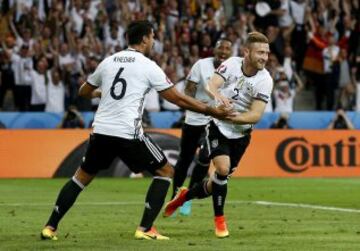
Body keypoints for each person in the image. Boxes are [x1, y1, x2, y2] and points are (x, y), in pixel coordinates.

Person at [40, 20, 232, 241]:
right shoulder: (148, 66)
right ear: (144, 39)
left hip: (101, 131)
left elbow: (84, 90)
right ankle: (145, 228)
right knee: (165, 172)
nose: (153, 41)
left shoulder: (109, 61)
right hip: (127, 133)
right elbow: (177, 98)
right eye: (152, 37)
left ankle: (50, 227)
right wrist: (212, 110)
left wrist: (97, 94)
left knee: (80, 178)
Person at [164, 32, 273, 238]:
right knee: (221, 169)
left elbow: (255, 115)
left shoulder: (265, 80)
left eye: (267, 53)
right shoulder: (231, 64)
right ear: (246, 52)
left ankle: (184, 196)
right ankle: (220, 222)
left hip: (241, 133)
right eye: (260, 52)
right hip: (217, 126)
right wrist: (218, 98)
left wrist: (231, 117)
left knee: (216, 182)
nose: (264, 57)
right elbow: (211, 84)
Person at [171, 38, 233, 216]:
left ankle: (187, 198)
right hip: (193, 119)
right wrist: (200, 104)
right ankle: (176, 196)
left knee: (205, 157)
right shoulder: (201, 65)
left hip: (213, 122)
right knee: (184, 159)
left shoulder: (232, 69)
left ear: (230, 52)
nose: (223, 52)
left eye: (227, 49)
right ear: (214, 50)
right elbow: (188, 90)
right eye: (220, 48)